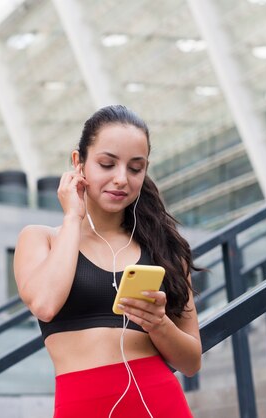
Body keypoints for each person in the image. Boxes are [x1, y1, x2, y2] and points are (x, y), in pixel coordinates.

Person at [13, 105, 201, 417]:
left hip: (159, 401)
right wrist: (73, 217)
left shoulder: (166, 250)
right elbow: (44, 304)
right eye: (107, 164)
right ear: (79, 162)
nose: (121, 179)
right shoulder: (40, 238)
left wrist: (158, 323)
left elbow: (191, 362)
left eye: (135, 168)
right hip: (81, 405)